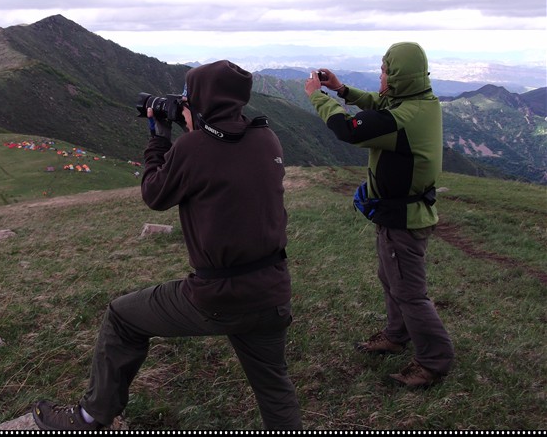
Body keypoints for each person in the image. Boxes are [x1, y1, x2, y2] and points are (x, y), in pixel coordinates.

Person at [32, 60, 303, 430]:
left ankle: (88, 417)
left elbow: (154, 194)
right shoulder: (265, 138)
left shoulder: (193, 148)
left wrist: (159, 139)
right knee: (274, 387)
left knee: (122, 317)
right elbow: (226, 155)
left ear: (202, 101)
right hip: (272, 291)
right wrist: (197, 123)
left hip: (218, 297)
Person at [304, 42, 454, 388]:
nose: (380, 75)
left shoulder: (404, 119)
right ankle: (395, 334)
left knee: (409, 292)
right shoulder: (419, 102)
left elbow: (350, 129)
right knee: (392, 279)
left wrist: (318, 95)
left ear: (399, 75)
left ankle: (434, 361)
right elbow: (381, 104)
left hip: (403, 218)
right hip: (398, 213)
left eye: (385, 70)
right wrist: (341, 89)